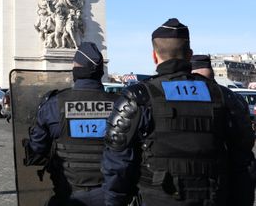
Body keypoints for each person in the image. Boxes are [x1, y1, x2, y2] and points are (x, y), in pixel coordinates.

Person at [102, 18, 256, 206]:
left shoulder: (139, 97)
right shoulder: (225, 97)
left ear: (154, 56)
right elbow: (244, 163)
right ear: (189, 55)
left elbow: (118, 165)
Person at [26, 42, 117, 205]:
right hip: (110, 195)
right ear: (100, 72)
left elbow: (37, 149)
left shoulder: (54, 105)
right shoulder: (120, 105)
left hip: (68, 194)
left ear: (76, 70)